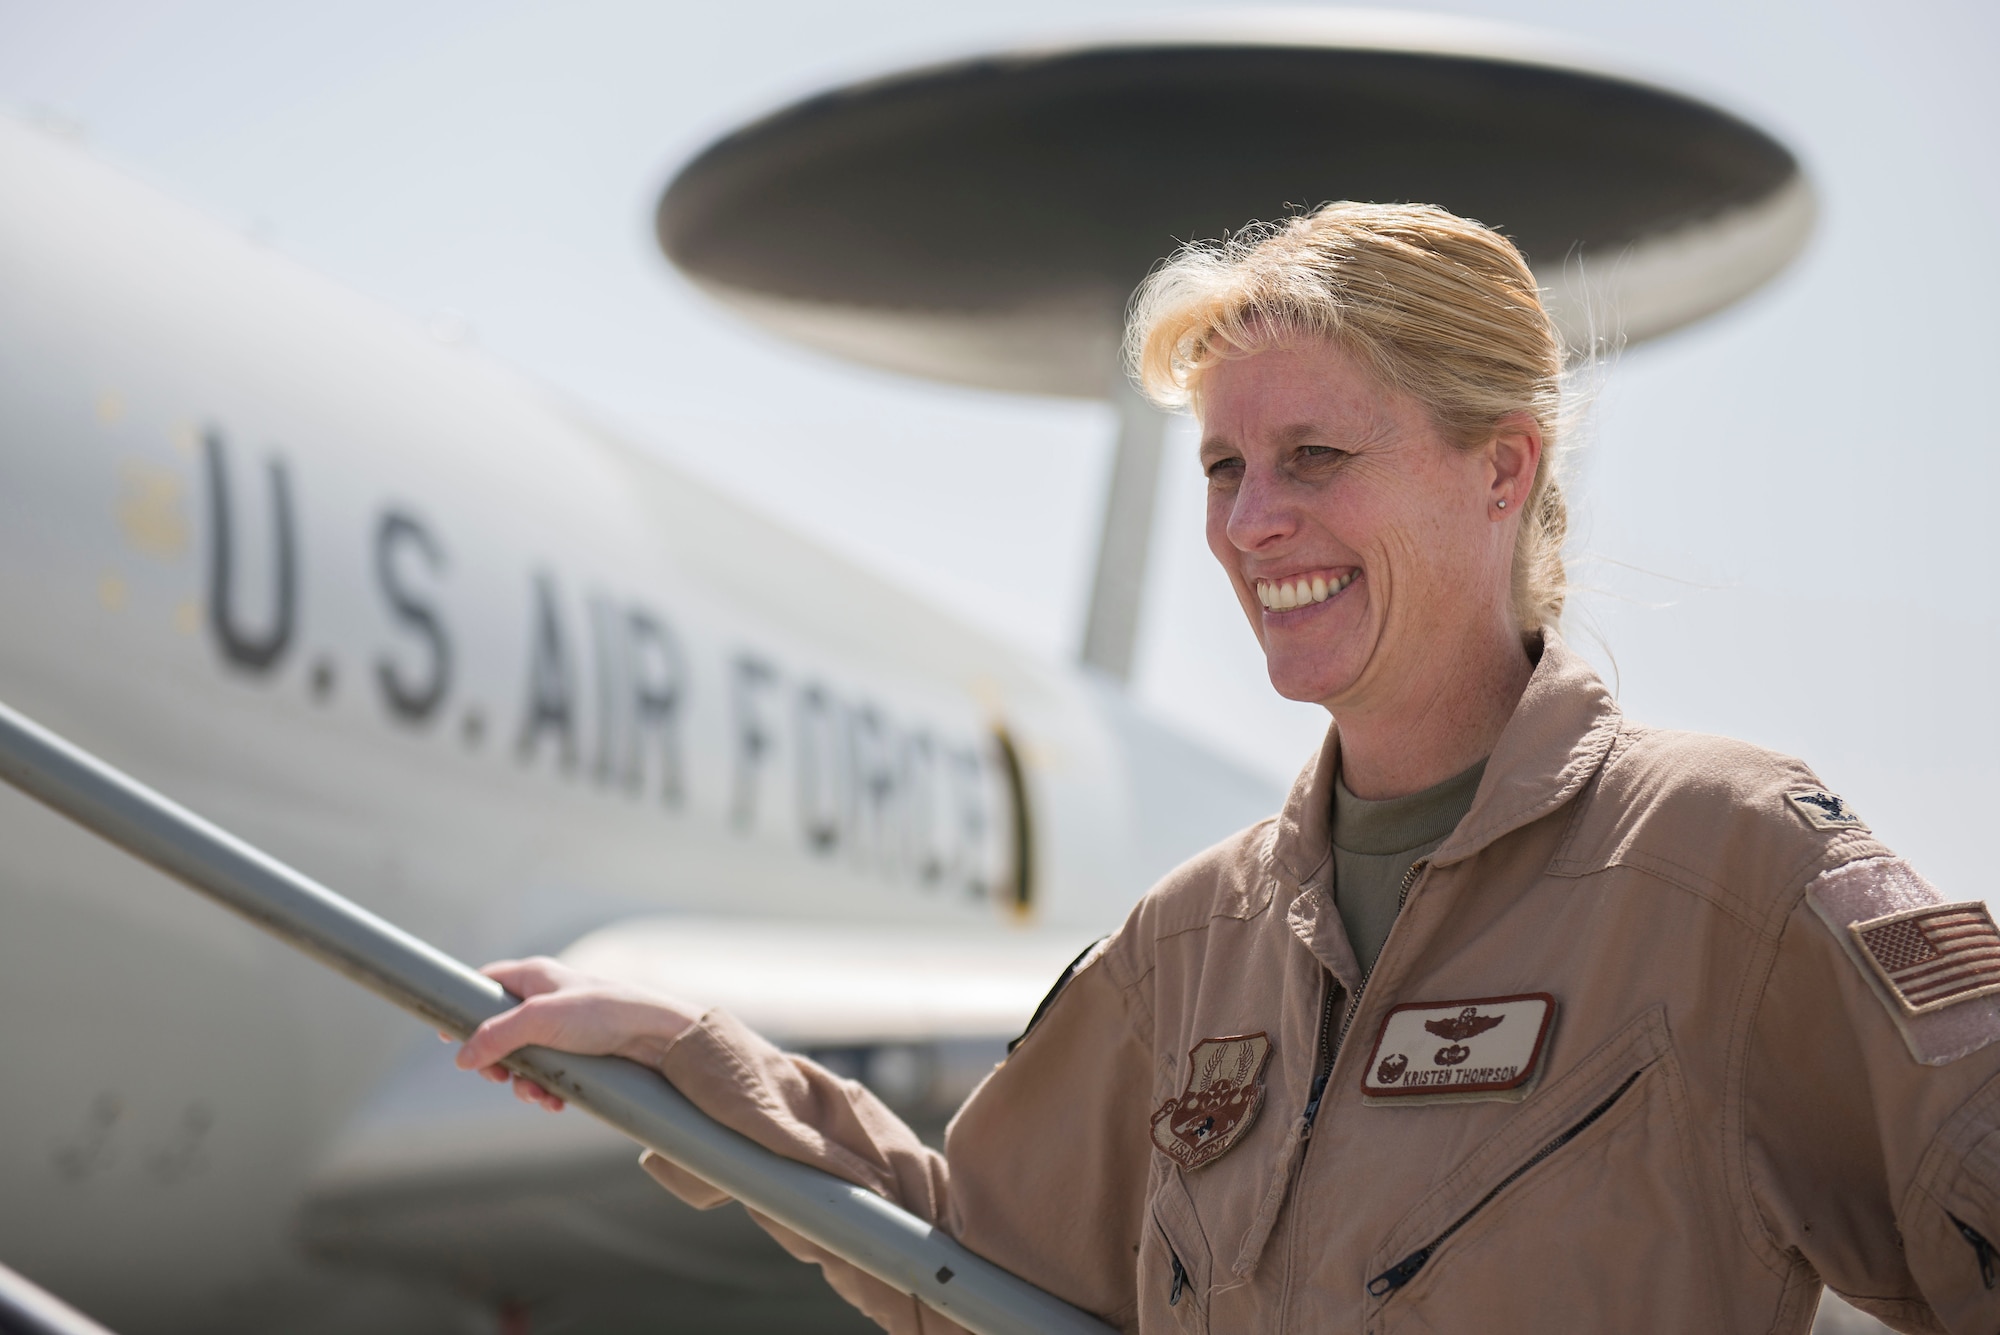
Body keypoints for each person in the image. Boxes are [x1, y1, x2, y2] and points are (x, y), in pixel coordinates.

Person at [453, 203, 2000, 1333]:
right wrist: (708, 1074)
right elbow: (968, 1268)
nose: (1251, 523)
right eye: (1222, 468)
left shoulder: (1724, 864)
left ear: (1501, 470)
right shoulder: (1193, 945)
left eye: (1316, 458)